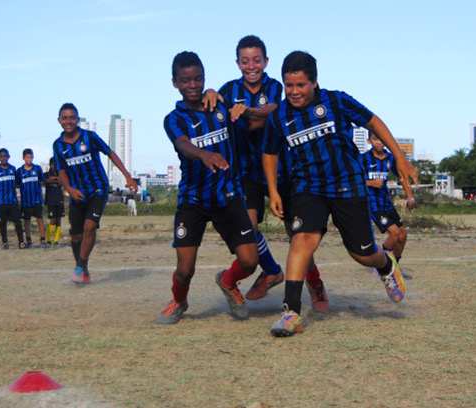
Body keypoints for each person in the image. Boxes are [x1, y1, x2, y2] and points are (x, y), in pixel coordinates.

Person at [262, 51, 416, 337]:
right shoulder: (279, 115)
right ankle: (291, 313)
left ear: (315, 82)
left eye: (301, 85)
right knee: (301, 240)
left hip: (348, 184)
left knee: (363, 254)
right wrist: (273, 190)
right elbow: (269, 153)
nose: (294, 92)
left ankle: (386, 266)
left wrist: (400, 157)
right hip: (308, 186)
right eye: (289, 85)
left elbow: (373, 121)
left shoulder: (336, 101)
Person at [203, 35, 308, 302]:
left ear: (266, 61)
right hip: (246, 174)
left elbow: (272, 111)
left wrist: (247, 111)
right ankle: (272, 271)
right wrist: (211, 92)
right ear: (238, 63)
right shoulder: (228, 90)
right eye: (245, 60)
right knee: (248, 229)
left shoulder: (274, 86)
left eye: (257, 60)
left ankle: (316, 286)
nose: (252, 66)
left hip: (280, 172)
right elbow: (214, 111)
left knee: (298, 233)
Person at [156, 51, 259, 325]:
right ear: (175, 82)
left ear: (204, 78)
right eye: (186, 80)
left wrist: (244, 110)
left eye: (198, 79)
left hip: (229, 195)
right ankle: (178, 300)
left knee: (250, 261)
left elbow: (257, 118)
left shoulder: (221, 105)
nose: (193, 85)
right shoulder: (174, 118)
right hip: (194, 200)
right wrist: (204, 155)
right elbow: (182, 145)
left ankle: (227, 282)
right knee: (184, 270)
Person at [53, 103, 137, 285]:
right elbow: (61, 171)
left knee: (90, 227)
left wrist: (127, 177)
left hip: (98, 189)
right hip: (77, 194)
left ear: (77, 119)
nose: (69, 121)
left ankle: (79, 268)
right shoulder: (58, 145)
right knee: (76, 236)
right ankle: (83, 270)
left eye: (72, 117)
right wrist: (69, 189)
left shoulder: (89, 137)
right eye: (65, 118)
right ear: (59, 121)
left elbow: (110, 153)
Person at [364, 130, 417, 274]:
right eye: (375, 139)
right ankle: (381, 268)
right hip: (373, 205)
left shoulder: (390, 158)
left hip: (386, 203)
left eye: (381, 139)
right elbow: (353, 181)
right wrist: (370, 182)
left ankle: (394, 270)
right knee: (394, 233)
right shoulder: (363, 159)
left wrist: (410, 197)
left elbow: (402, 177)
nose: (379, 142)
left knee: (403, 235)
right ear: (369, 141)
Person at [0, 148, 24, 250]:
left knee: (17, 221)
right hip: (1, 202)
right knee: (3, 223)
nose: (4, 158)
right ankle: (5, 243)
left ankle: (21, 242)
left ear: (8, 157)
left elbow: (18, 183)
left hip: (12, 200)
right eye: (2, 156)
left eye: (5, 156)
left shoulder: (13, 169)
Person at [17, 148, 46, 248]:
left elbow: (42, 181)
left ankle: (43, 239)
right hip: (26, 201)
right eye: (27, 157)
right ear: (23, 158)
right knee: (27, 220)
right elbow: (17, 184)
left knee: (40, 219)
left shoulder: (37, 169)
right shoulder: (20, 171)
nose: (29, 159)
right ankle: (29, 240)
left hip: (37, 199)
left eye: (31, 157)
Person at [44, 159, 65, 246]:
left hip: (59, 199)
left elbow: (63, 182)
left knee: (59, 220)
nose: (54, 166)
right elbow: (46, 180)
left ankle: (56, 240)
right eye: (53, 164)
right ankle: (48, 240)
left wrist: (57, 179)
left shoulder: (61, 174)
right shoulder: (46, 174)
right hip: (51, 200)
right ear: (50, 165)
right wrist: (56, 179)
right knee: (53, 220)